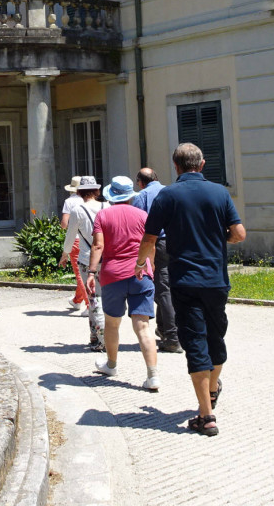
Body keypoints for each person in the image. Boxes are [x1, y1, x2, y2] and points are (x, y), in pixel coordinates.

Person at [139, 143, 245, 436]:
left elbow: (149, 239)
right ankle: (212, 388)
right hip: (216, 279)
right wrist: (217, 236)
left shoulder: (167, 195)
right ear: (202, 164)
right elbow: (239, 234)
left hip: (184, 279)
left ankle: (206, 416)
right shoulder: (220, 193)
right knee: (216, 336)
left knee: (195, 342)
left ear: (176, 166)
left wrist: (139, 264)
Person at [86, 176, 159, 392]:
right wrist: (150, 265)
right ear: (130, 196)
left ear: (111, 195)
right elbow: (150, 243)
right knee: (143, 326)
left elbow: (98, 246)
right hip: (140, 273)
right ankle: (153, 376)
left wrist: (91, 272)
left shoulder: (103, 215)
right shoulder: (143, 215)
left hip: (113, 274)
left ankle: (111, 365)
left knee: (112, 323)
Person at [133, 167, 181, 353]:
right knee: (167, 285)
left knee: (162, 289)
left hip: (157, 243)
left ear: (140, 182)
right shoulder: (170, 191)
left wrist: (141, 256)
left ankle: (172, 337)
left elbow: (139, 226)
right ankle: (163, 329)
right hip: (176, 241)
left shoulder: (142, 196)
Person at [61, 176, 106, 350]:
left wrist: (65, 254)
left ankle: (102, 340)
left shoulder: (78, 210)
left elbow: (70, 236)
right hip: (106, 256)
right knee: (101, 297)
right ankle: (95, 336)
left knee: (94, 299)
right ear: (96, 190)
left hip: (87, 258)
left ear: (79, 192)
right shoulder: (106, 206)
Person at [59, 176, 87, 313]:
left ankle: (89, 305)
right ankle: (77, 300)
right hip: (91, 239)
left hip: (76, 239)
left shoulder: (69, 202)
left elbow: (64, 224)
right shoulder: (90, 200)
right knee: (86, 272)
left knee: (80, 274)